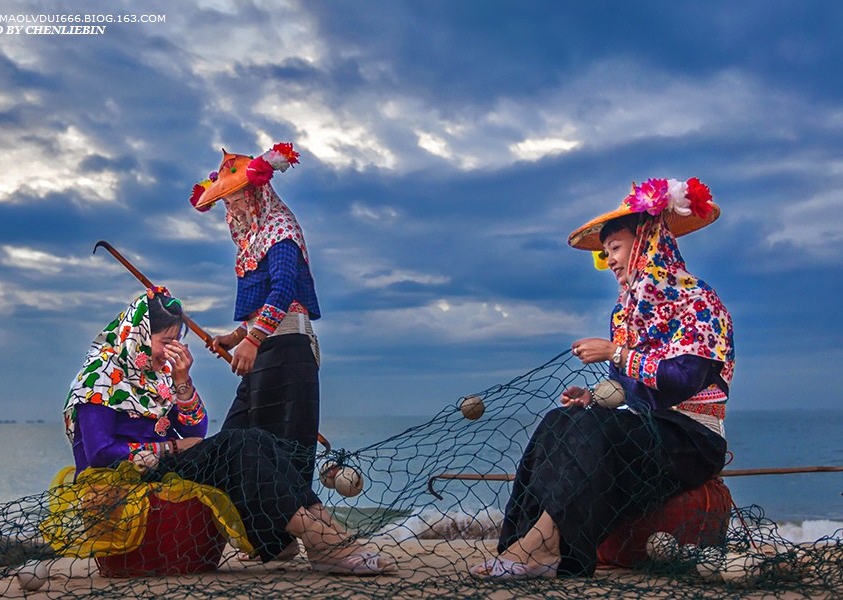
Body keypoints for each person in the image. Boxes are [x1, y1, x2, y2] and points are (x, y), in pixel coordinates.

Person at [471, 177, 734, 579]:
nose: (609, 260)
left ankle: (542, 550)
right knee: (561, 420)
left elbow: (684, 381)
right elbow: (622, 389)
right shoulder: (623, 313)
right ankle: (522, 545)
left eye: (615, 248)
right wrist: (593, 396)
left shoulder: (698, 300)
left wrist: (616, 352)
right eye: (606, 251)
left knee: (591, 427)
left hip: (693, 438)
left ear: (647, 242)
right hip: (645, 430)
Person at [63, 288, 394, 575]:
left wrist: (181, 382)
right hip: (124, 477)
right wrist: (172, 449)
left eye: (177, 341)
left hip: (161, 469)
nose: (172, 350)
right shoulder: (101, 376)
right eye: (166, 342)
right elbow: (100, 454)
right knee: (237, 444)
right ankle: (318, 539)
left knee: (256, 439)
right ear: (136, 335)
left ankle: (322, 528)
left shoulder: (157, 374)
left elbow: (196, 428)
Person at [190, 143, 321, 485]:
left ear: (257, 193)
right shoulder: (255, 237)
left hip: (288, 351)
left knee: (276, 457)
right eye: (227, 201)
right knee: (235, 442)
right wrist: (235, 338)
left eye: (237, 198)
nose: (232, 207)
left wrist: (252, 339)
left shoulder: (281, 231)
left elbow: (283, 291)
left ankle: (287, 537)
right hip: (263, 351)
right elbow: (263, 304)